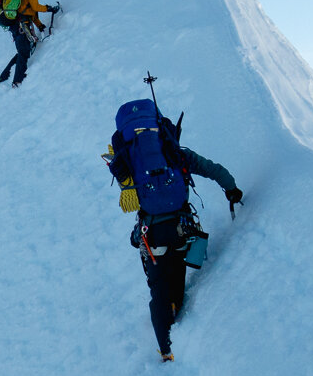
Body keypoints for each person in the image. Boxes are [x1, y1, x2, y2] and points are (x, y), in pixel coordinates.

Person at [102, 98, 243, 362]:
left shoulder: (129, 159)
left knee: (159, 290)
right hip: (181, 230)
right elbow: (213, 169)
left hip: (151, 234)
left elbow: (128, 194)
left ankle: (166, 350)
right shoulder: (175, 154)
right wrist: (232, 189)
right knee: (177, 281)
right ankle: (178, 320)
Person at [0, 0, 59, 85]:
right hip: (20, 24)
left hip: (20, 23)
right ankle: (17, 81)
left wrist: (40, 26)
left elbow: (31, 12)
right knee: (24, 52)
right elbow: (35, 7)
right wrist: (49, 8)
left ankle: (4, 76)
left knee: (22, 52)